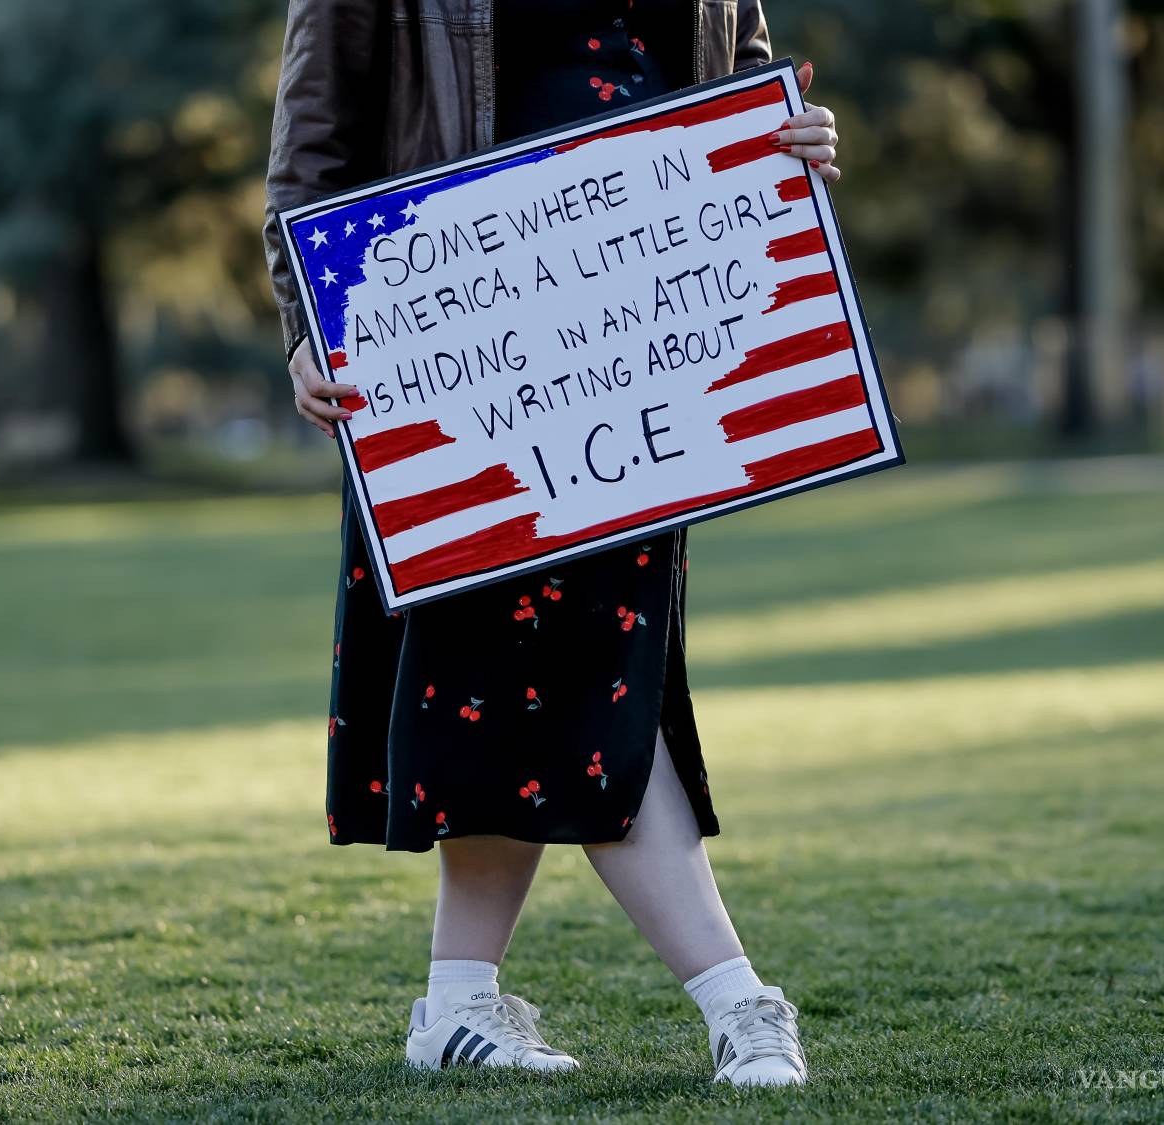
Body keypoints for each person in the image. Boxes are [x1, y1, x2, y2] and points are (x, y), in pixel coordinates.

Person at [264, 0, 842, 1088]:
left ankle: (459, 1002)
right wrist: (304, 319)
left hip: (642, 333)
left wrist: (784, 137)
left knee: (567, 667)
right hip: (459, 338)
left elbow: (741, 70)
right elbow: (313, 144)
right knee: (538, 675)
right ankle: (736, 1001)